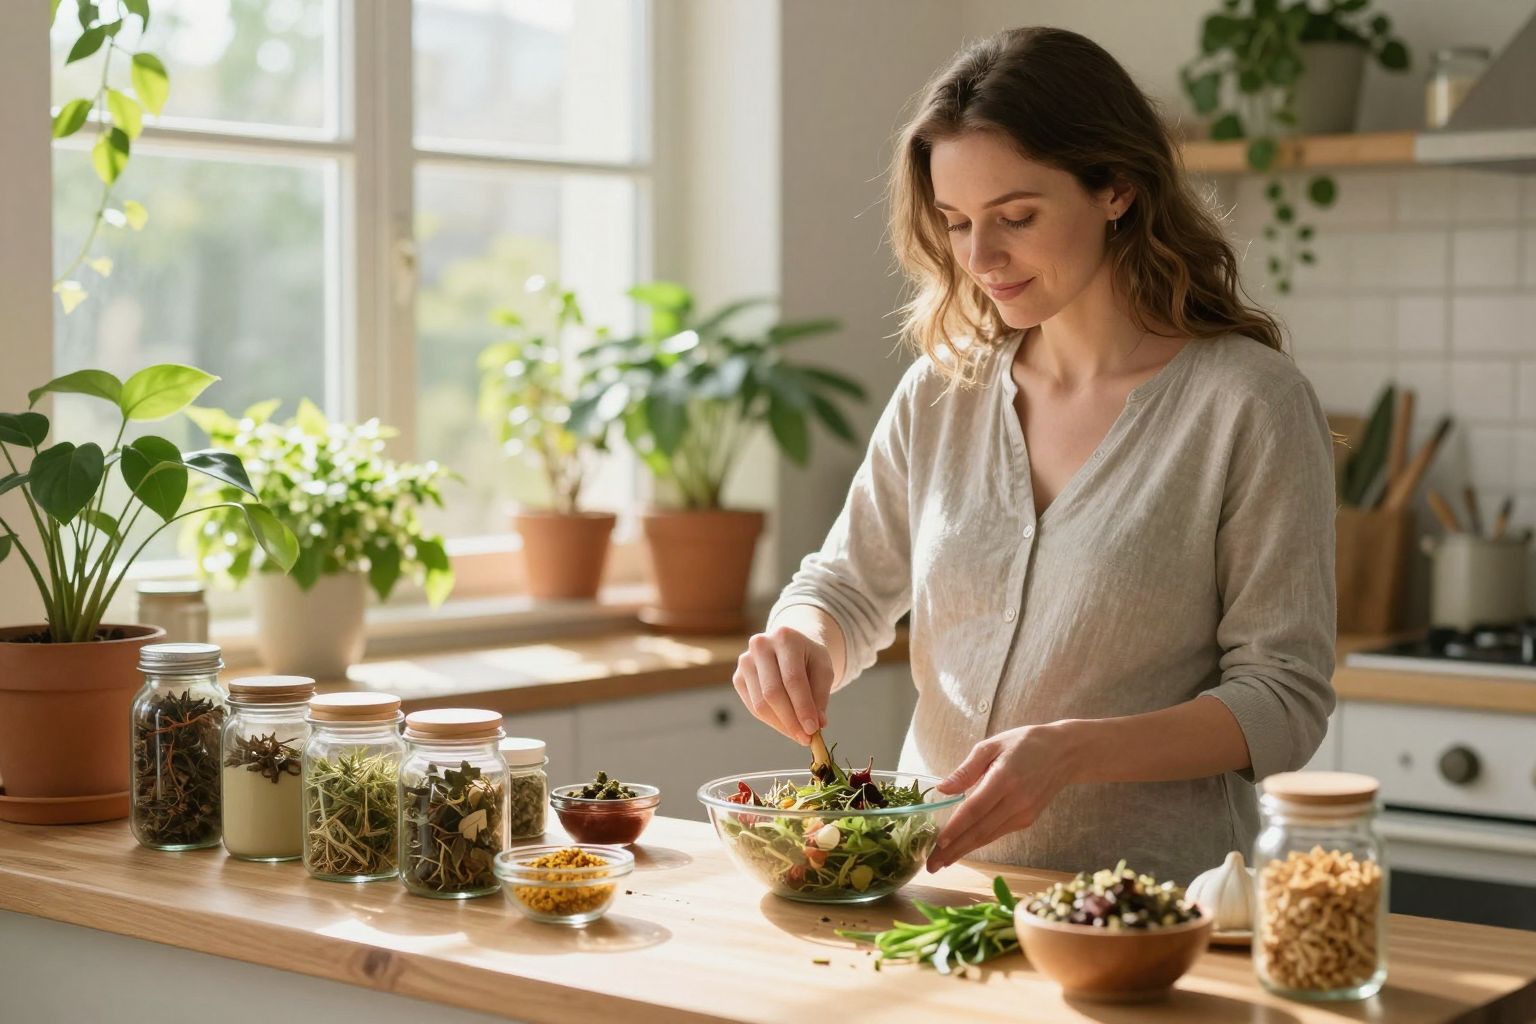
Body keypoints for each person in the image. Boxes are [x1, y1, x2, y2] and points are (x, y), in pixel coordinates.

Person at [731, 26, 1336, 883]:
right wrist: (801, 639)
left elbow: (1284, 701)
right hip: (933, 900)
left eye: (1016, 217)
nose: (980, 258)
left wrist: (1070, 753)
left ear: (1117, 189)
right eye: (957, 223)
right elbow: (846, 586)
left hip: (1149, 916)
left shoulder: (1248, 406)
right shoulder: (942, 393)